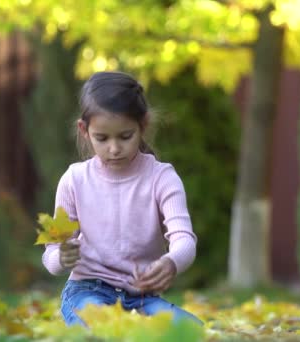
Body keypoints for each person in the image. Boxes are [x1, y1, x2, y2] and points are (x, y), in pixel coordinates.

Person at [42, 71, 202, 327]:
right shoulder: (73, 180)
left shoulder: (162, 178)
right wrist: (61, 257)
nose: (114, 149)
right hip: (87, 291)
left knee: (190, 331)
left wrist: (171, 262)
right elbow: (51, 254)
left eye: (125, 136)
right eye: (102, 139)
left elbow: (184, 238)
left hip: (142, 297)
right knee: (102, 328)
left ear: (143, 126)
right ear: (84, 130)